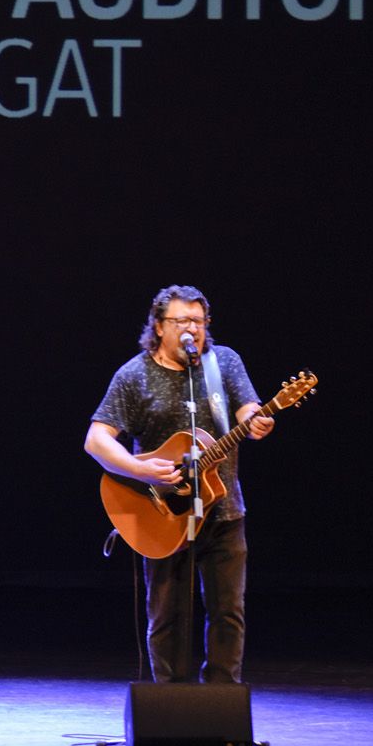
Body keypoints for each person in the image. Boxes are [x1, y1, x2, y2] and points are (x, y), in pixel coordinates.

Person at [84, 285, 273, 683]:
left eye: (199, 321)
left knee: (228, 613)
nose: (193, 329)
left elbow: (245, 410)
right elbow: (96, 440)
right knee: (166, 617)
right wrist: (143, 469)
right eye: (182, 321)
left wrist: (257, 420)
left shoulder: (224, 363)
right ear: (158, 326)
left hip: (224, 512)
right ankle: (169, 706)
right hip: (162, 513)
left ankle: (220, 706)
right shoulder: (134, 375)